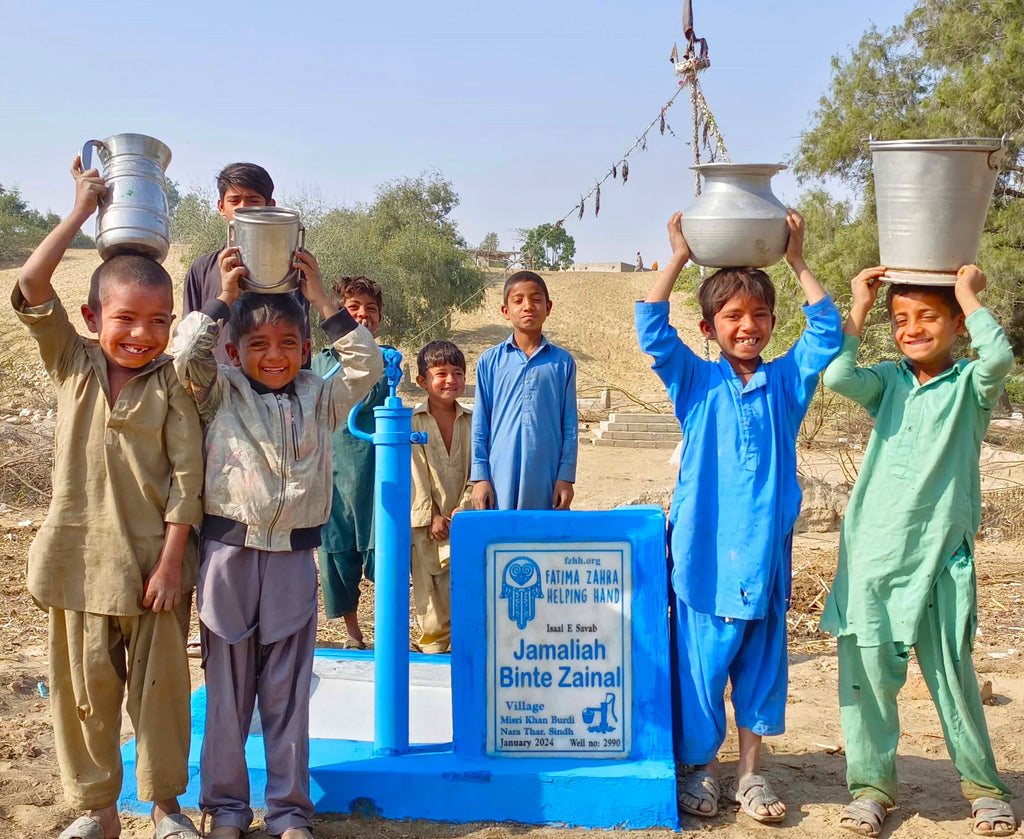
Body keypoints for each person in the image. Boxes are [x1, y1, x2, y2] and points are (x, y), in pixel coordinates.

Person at [14, 157, 204, 839]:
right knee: (84, 695)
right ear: (93, 316)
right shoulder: (72, 361)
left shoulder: (174, 382)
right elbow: (32, 283)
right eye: (126, 318)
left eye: (158, 321)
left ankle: (165, 809)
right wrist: (77, 212)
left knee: (161, 698)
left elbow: (188, 480)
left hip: (154, 568)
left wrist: (174, 559)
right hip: (75, 564)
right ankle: (98, 810)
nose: (141, 334)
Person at [635, 210, 841, 824]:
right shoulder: (695, 382)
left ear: (773, 324)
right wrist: (676, 256)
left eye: (759, 316)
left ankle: (751, 774)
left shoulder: (786, 384)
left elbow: (826, 333)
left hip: (766, 558)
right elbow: (651, 330)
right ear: (710, 327)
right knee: (701, 673)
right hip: (702, 556)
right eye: (733, 316)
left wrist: (797, 259)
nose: (747, 326)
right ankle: (704, 769)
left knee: (759, 669)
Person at [171, 247, 384, 839]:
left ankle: (289, 812)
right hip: (228, 557)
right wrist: (223, 300)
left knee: (287, 694)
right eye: (258, 346)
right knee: (227, 695)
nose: (274, 356)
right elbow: (184, 352)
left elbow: (366, 368)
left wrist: (321, 301)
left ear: (306, 348)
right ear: (235, 353)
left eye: (288, 343)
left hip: (293, 558)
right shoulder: (220, 393)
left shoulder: (321, 396)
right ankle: (227, 810)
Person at [821, 267, 1018, 838]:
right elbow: (837, 374)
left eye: (928, 317)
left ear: (957, 325)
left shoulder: (971, 387)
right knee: (867, 679)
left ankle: (984, 787)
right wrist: (859, 305)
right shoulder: (886, 382)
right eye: (900, 320)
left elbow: (1000, 358)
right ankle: (871, 788)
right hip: (874, 557)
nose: (912, 329)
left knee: (953, 676)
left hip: (940, 558)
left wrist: (966, 292)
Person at [311, 276, 389, 649]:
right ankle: (353, 634)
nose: (362, 315)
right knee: (337, 554)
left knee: (383, 551)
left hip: (376, 476)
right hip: (331, 473)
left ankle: (387, 631)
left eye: (370, 310)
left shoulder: (384, 362)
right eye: (352, 308)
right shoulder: (317, 364)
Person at [181, 162, 310, 364]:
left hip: (275, 387)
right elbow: (186, 341)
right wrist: (225, 298)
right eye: (234, 200)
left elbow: (301, 336)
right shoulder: (202, 269)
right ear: (221, 207)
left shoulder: (291, 269)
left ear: (270, 207)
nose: (243, 208)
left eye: (252, 200)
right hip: (218, 387)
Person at [471, 270, 578, 511]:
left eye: (536, 299)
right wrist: (480, 477)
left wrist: (566, 476)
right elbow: (480, 423)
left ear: (548, 307)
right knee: (501, 541)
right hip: (500, 473)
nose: (528, 306)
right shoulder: (490, 361)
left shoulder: (562, 362)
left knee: (542, 541)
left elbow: (570, 424)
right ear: (506, 311)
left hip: (547, 474)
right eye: (518, 300)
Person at [410, 340, 473, 653]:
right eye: (441, 373)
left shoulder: (474, 422)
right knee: (431, 595)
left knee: (468, 591)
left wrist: (466, 506)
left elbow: (480, 469)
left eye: (457, 373)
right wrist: (431, 515)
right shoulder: (412, 423)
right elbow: (415, 474)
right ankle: (433, 652)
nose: (450, 380)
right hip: (428, 528)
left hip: (466, 521)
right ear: (423, 381)